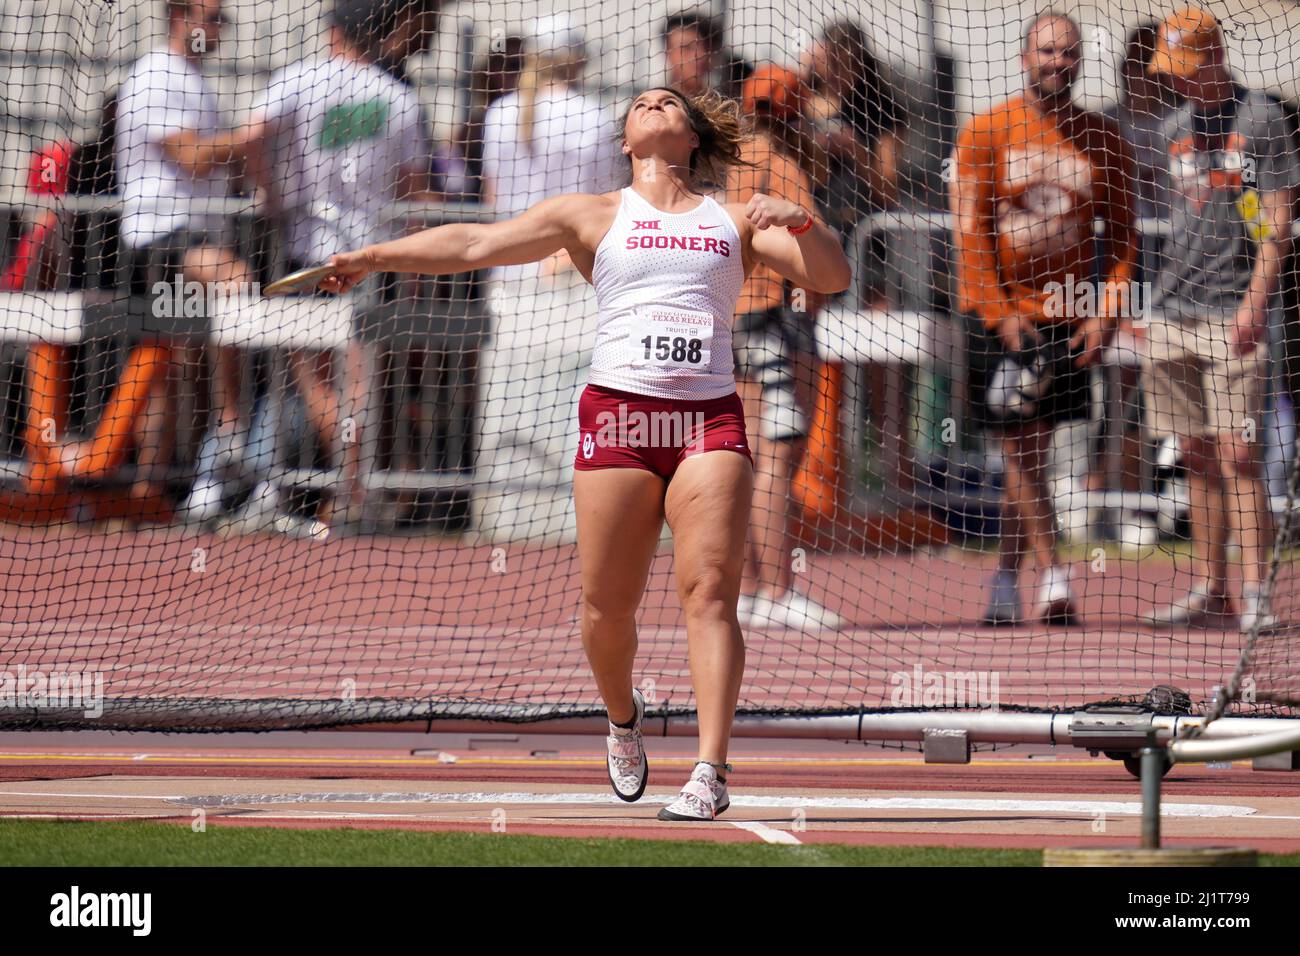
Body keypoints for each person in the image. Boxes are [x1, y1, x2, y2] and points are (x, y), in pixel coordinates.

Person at [319, 87, 851, 820]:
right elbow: (473, 244)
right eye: (642, 104)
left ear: (692, 138)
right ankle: (622, 718)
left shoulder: (733, 217)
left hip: (707, 422)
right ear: (628, 141)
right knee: (607, 607)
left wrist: (801, 218)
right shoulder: (590, 214)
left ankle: (710, 770)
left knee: (710, 593)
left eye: (671, 102)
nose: (657, 104)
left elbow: (831, 276)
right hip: (619, 420)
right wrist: (374, 254)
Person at [951, 12, 1137, 626]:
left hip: (1071, 317)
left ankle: (1005, 579)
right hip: (1005, 319)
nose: (1059, 61)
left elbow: (1124, 237)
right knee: (1020, 446)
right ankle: (1054, 575)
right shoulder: (986, 131)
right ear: (1024, 56)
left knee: (1032, 451)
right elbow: (970, 231)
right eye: (1048, 51)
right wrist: (1000, 314)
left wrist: (1106, 314)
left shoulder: (1104, 138)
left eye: (1069, 52)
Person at [221, 0, 433, 535]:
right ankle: (352, 490)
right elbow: (411, 192)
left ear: (335, 32)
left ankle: (345, 486)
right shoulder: (399, 98)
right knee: (363, 381)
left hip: (309, 252)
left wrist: (274, 192)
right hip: (374, 256)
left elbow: (250, 137)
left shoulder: (299, 79)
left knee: (314, 380)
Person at [1142, 7, 1299, 631]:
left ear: (1214, 59)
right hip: (1171, 309)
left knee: (1239, 453)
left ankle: (1256, 594)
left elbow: (1278, 223)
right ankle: (1211, 591)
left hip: (1233, 308)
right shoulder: (1173, 126)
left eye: (1185, 67)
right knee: (1196, 456)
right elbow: (1176, 224)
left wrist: (1256, 305)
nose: (1175, 79)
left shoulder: (1260, 118)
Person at [81, 0, 256, 512]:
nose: (220, 28)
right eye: (213, 17)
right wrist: (249, 139)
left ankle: (159, 485)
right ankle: (231, 432)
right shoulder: (158, 74)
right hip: (162, 241)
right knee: (234, 282)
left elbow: (217, 167)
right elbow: (192, 158)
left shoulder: (195, 80)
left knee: (175, 362)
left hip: (187, 239)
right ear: (182, 17)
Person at [474, 13, 623, 542]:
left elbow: (494, 197)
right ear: (578, 61)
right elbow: (602, 205)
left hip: (510, 273)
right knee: (573, 407)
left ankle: (508, 520)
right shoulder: (596, 116)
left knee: (511, 403)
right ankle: (575, 522)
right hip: (571, 273)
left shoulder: (499, 113)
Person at [727, 64, 839, 629]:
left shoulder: (727, 161)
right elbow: (810, 248)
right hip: (773, 317)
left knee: (745, 456)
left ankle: (750, 588)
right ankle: (777, 591)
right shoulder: (783, 162)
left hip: (735, 318)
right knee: (776, 457)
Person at [663, 10, 749, 104]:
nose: (700, 55)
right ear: (667, 53)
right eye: (687, 47)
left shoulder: (726, 103)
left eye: (707, 47)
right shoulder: (654, 104)